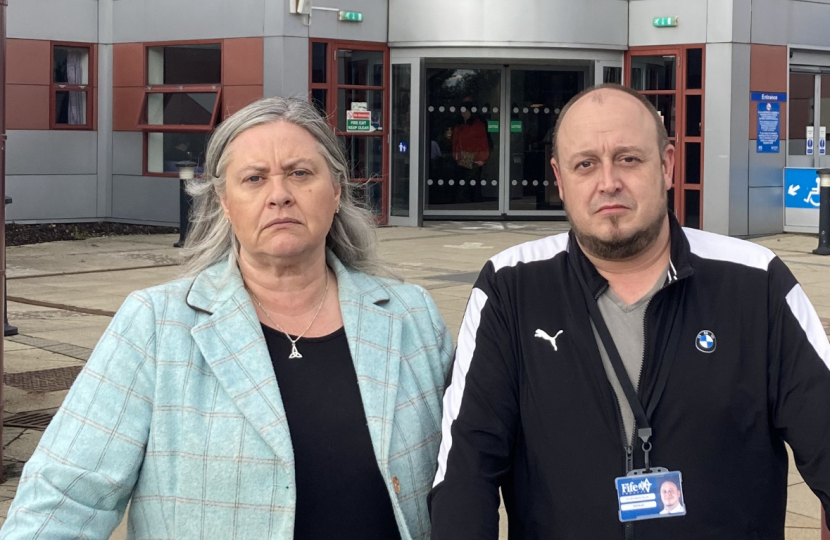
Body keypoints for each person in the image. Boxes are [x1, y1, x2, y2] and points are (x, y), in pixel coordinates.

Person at [0, 97, 454, 540]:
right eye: (254, 178)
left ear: (336, 190)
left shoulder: (412, 317)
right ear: (223, 201)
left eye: (300, 173)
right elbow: (68, 495)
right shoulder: (157, 325)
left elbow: (468, 474)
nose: (280, 195)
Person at [428, 83, 830, 539]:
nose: (608, 182)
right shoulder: (510, 287)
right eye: (586, 164)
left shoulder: (757, 282)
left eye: (628, 158)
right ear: (560, 180)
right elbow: (466, 471)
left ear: (667, 165)